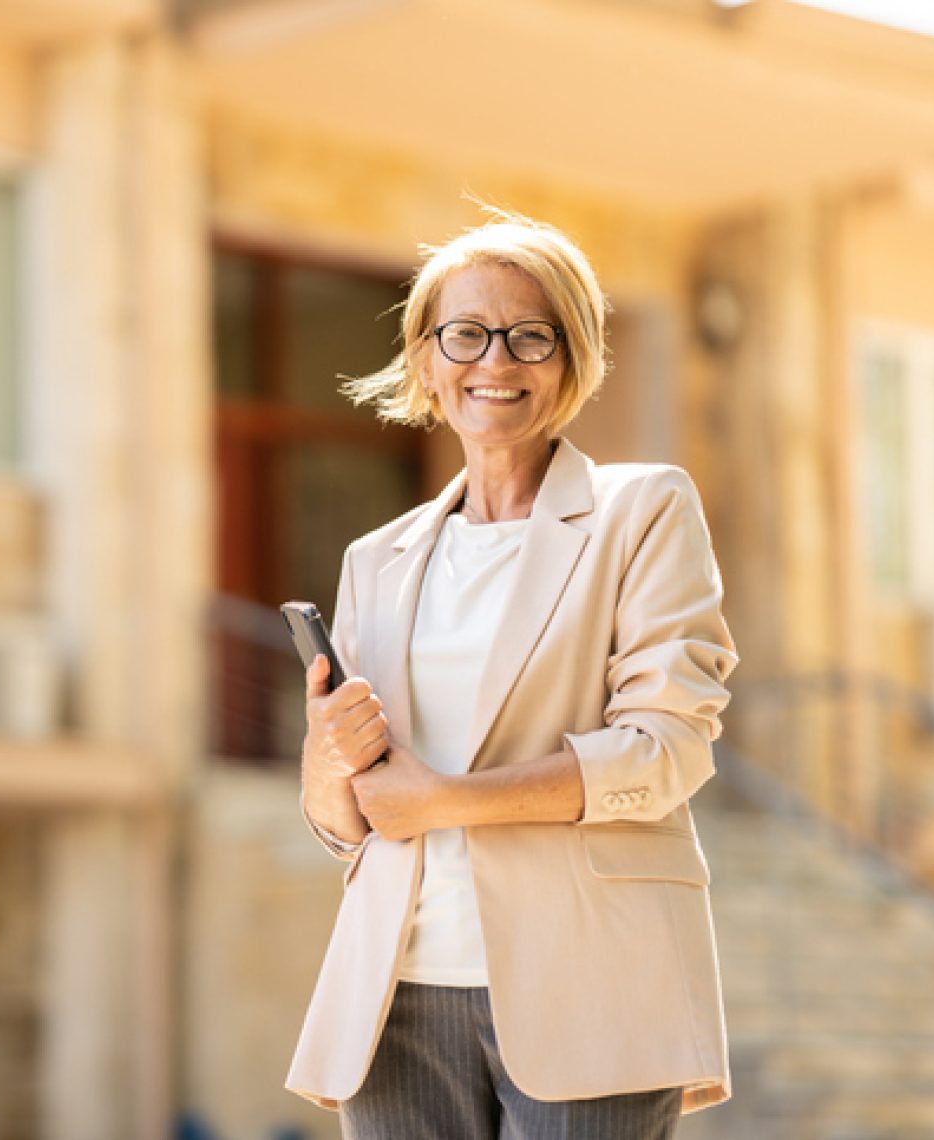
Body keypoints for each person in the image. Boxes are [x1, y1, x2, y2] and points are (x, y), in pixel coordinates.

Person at [286, 209, 737, 1140]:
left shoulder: (642, 511)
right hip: (398, 992)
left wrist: (444, 799)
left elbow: (663, 751)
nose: (496, 360)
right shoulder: (379, 557)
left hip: (593, 981)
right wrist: (329, 761)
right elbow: (350, 826)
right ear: (425, 360)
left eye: (533, 335)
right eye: (465, 334)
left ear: (573, 363)